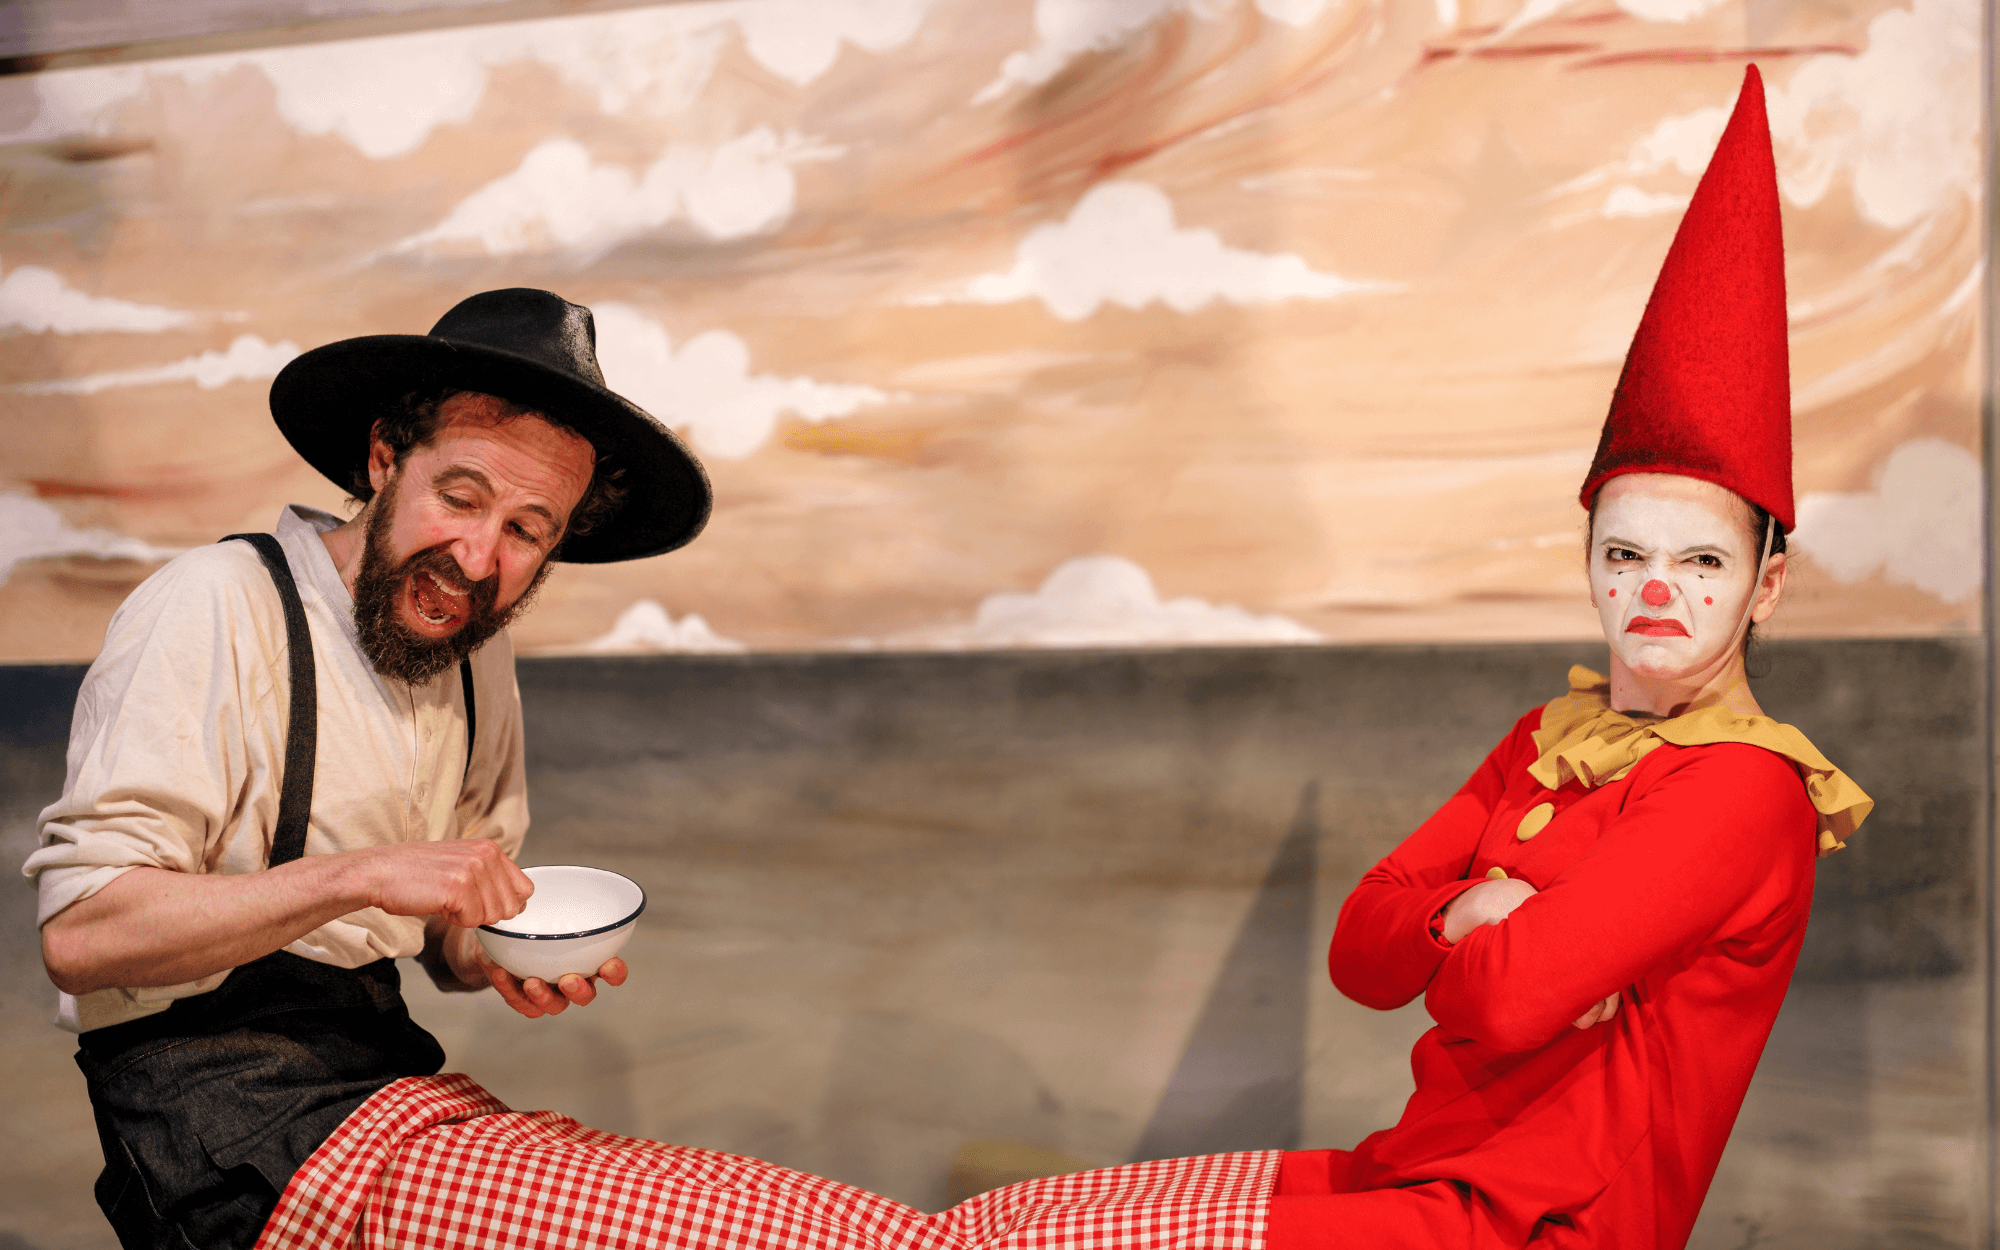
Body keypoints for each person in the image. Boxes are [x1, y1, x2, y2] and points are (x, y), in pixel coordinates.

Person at [1262, 65, 1872, 1248]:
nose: (1655, 589)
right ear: (1587, 561)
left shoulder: (1745, 788)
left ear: (1765, 584)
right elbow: (1356, 949)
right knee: (1021, 1213)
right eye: (1625, 551)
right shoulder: (1548, 736)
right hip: (1414, 1172)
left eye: (1701, 560)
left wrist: (1467, 934)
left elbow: (1507, 999)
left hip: (1537, 1222)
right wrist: (1478, 910)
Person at [25, 288, 712, 1250]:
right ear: (385, 458)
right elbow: (84, 936)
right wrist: (363, 875)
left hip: (381, 1079)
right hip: (213, 1120)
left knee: (720, 1208)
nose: (478, 557)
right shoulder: (216, 605)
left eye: (527, 530)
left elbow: (445, 933)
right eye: (460, 498)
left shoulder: (477, 654)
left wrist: (499, 955)